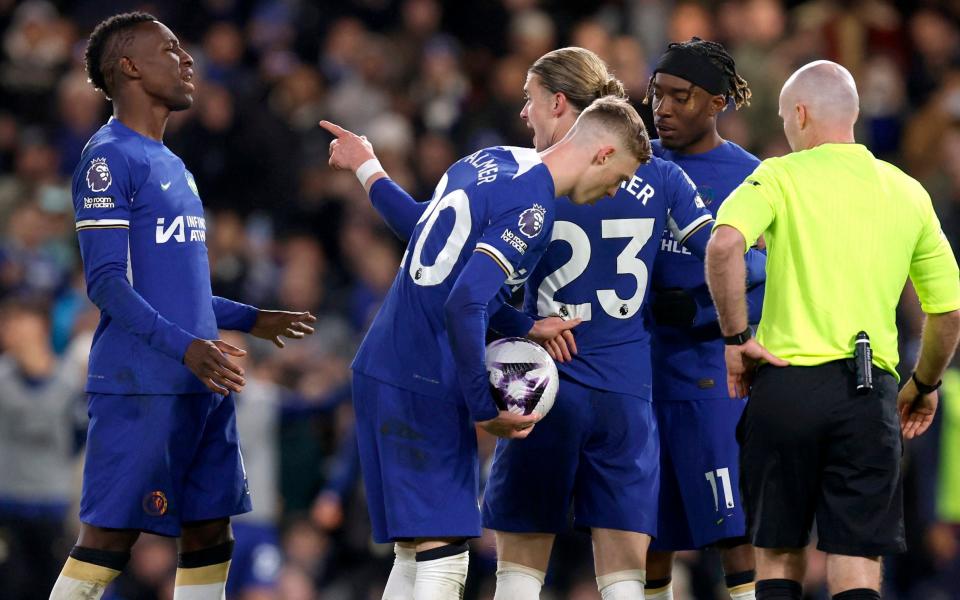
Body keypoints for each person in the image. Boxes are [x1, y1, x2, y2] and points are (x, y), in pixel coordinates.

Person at [325, 47, 764, 600]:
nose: (523, 114)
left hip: (539, 383)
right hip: (626, 386)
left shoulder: (518, 178)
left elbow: (431, 234)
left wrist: (370, 171)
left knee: (509, 563)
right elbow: (736, 262)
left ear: (559, 104)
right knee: (632, 568)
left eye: (529, 100)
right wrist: (700, 295)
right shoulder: (661, 175)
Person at [324, 93, 649, 599]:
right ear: (603, 154)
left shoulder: (490, 161)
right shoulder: (535, 208)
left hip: (385, 366)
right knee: (444, 557)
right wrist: (484, 410)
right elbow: (464, 304)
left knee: (415, 553)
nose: (616, 191)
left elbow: (422, 232)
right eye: (622, 177)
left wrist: (523, 324)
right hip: (423, 378)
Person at [49, 13, 317, 600]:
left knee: (209, 531)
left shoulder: (174, 165)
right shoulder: (107, 157)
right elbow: (107, 284)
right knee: (108, 538)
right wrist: (186, 347)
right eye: (170, 49)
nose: (187, 59)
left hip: (203, 376)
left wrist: (250, 318)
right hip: (144, 379)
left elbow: (178, 289)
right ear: (130, 66)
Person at [706, 60, 960, 600]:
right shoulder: (907, 191)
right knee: (855, 559)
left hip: (784, 384)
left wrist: (735, 341)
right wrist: (924, 385)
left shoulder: (778, 176)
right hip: (869, 392)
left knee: (776, 552)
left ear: (800, 114)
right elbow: (949, 312)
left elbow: (724, 244)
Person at [642, 37, 762, 600]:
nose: (661, 109)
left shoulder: (749, 175)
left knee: (732, 526)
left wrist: (698, 308)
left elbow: (768, 270)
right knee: (645, 527)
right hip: (635, 376)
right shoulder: (629, 160)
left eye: (680, 97)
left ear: (717, 103)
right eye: (656, 95)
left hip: (711, 375)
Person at [0, 297, 85, 599]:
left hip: (52, 501)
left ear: (42, 328)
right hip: (7, 501)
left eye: (19, 322)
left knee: (51, 586)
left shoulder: (70, 380)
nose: (12, 330)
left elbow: (80, 436)